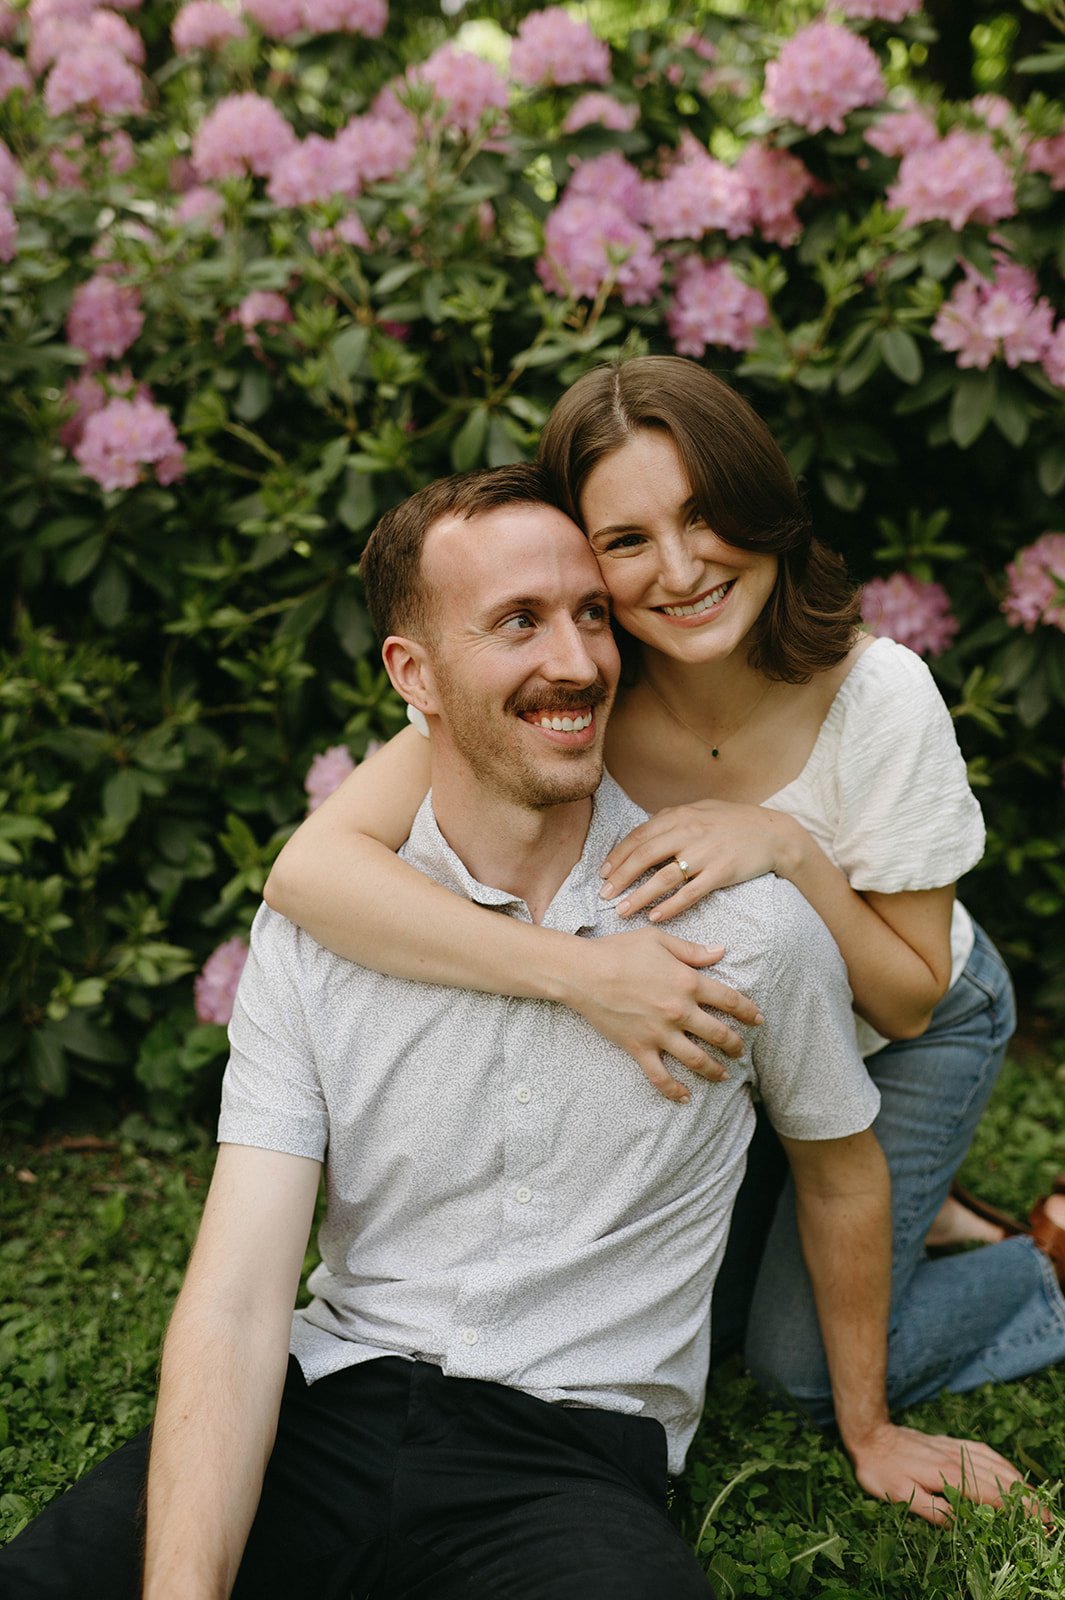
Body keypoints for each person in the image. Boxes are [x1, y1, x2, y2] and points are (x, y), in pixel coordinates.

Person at [0, 468, 1026, 1600]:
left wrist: (867, 1426)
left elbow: (854, 1132)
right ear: (413, 674)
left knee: (783, 1357)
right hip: (321, 1405)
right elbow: (239, 1297)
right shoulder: (327, 929)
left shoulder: (748, 927)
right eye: (520, 622)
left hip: (566, 1452)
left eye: (590, 614)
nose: (577, 660)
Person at [263, 357, 1065, 1420]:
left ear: (761, 502)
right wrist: (575, 973)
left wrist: (787, 845)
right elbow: (310, 870)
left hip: (907, 1022)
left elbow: (910, 998)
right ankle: (916, 1209)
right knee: (691, 1325)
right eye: (626, 541)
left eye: (702, 515)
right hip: (745, 1035)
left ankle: (1045, 1261)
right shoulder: (572, 681)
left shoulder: (878, 696)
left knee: (793, 1370)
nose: (681, 571)